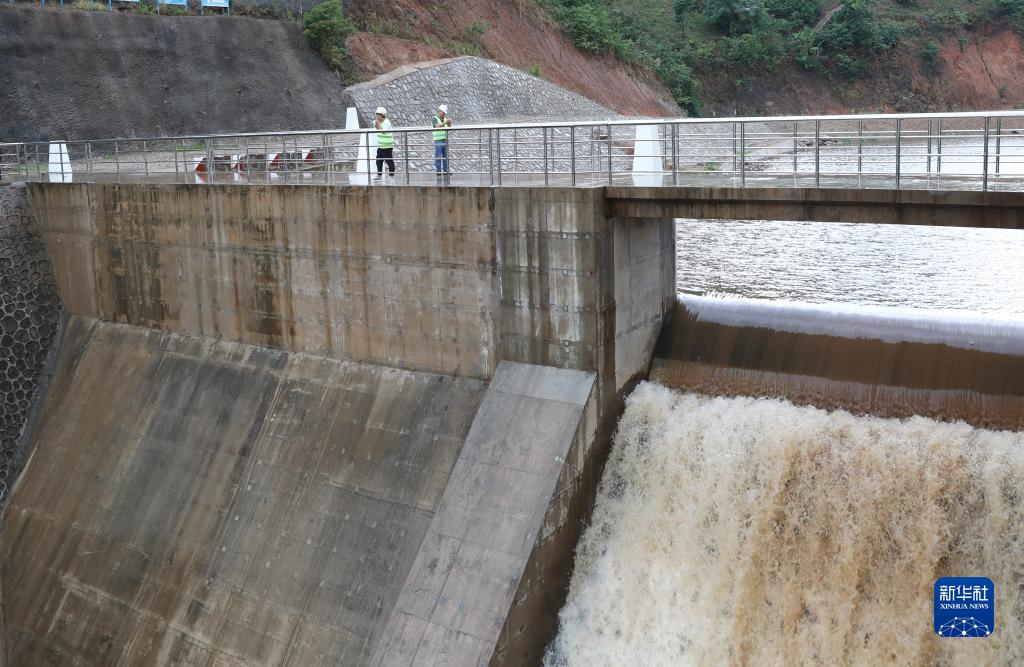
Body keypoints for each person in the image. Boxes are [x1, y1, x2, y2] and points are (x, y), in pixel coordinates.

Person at [373, 106, 395, 183]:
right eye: (376, 114)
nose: (376, 116)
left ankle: (391, 176)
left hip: (387, 146)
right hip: (380, 146)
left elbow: (383, 131)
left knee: (389, 161)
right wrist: (377, 123)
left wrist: (378, 123)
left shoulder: (386, 122)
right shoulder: (378, 121)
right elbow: (375, 126)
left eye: (378, 114)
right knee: (378, 160)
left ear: (382, 115)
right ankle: (379, 175)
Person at [432, 104, 452, 181]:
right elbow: (437, 126)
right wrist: (445, 122)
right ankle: (438, 172)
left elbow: (449, 127)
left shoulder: (444, 119)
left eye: (445, 113)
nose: (444, 114)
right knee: (438, 156)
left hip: (445, 139)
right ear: (440, 111)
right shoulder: (435, 118)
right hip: (438, 140)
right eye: (443, 112)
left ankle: (446, 171)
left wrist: (449, 122)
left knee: (445, 156)